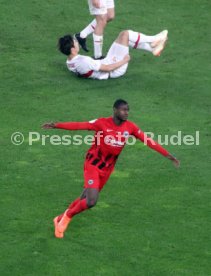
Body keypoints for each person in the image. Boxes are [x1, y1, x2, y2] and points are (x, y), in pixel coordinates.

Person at [42, 99, 180, 238]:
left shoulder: (130, 127)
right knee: (91, 201)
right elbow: (80, 125)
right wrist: (56, 125)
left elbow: (148, 140)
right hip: (93, 165)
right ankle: (67, 217)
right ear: (115, 110)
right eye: (123, 110)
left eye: (127, 110)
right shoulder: (102, 123)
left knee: (85, 197)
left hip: (107, 169)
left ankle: (59, 219)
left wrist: (168, 155)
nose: (126, 113)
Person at [58, 29, 168, 80]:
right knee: (125, 35)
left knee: (123, 37)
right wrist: (125, 60)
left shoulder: (69, 62)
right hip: (114, 69)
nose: (78, 43)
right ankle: (155, 39)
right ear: (73, 50)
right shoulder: (84, 61)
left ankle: (152, 48)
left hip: (108, 61)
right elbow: (108, 68)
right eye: (76, 42)